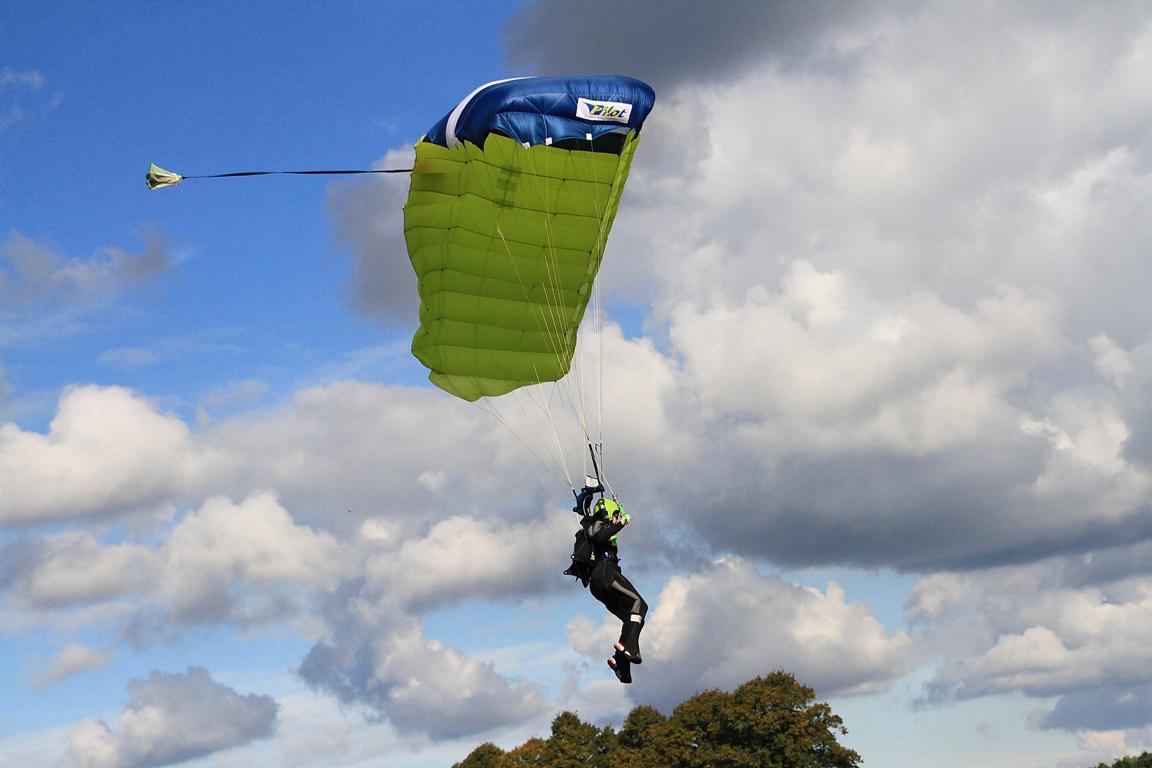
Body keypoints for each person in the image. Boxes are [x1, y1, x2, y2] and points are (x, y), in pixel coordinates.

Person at [567, 485, 648, 684]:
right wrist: (620, 523)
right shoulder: (598, 523)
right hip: (604, 573)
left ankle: (621, 662)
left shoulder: (597, 524)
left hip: (599, 583)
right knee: (639, 604)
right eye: (615, 515)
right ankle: (629, 648)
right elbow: (597, 536)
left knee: (633, 617)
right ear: (610, 513)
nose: (616, 518)